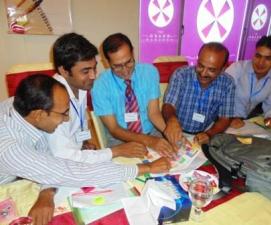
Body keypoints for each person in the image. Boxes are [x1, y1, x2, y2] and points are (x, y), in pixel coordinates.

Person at [0, 75, 170, 225]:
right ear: (39, 115)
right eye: (63, 113)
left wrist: (47, 191)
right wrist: (146, 168)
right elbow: (76, 172)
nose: (66, 120)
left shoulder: (20, 107)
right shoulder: (11, 148)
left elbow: (48, 159)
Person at [48, 32, 147, 163]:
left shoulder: (80, 87)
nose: (93, 76)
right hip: (59, 165)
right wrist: (117, 151)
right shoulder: (52, 101)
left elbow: (76, 128)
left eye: (94, 68)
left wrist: (83, 143)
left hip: (76, 155)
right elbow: (64, 158)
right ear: (64, 71)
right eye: (85, 71)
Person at [91, 33, 175, 158]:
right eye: (117, 66)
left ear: (133, 53)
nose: (125, 70)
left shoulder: (149, 72)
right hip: (121, 138)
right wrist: (149, 141)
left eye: (128, 62)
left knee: (172, 158)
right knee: (133, 172)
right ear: (107, 62)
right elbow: (114, 129)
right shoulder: (100, 86)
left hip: (151, 132)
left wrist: (169, 134)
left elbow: (154, 113)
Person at [162, 42, 235, 148]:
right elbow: (168, 105)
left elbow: (225, 118)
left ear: (223, 68)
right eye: (200, 66)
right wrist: (172, 120)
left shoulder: (228, 83)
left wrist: (209, 134)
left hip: (205, 131)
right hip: (175, 130)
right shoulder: (181, 74)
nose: (203, 73)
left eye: (211, 70)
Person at [226, 35, 271, 129]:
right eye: (258, 56)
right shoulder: (237, 69)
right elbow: (218, 98)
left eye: (268, 58)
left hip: (244, 122)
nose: (261, 63)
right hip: (223, 119)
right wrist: (228, 118)